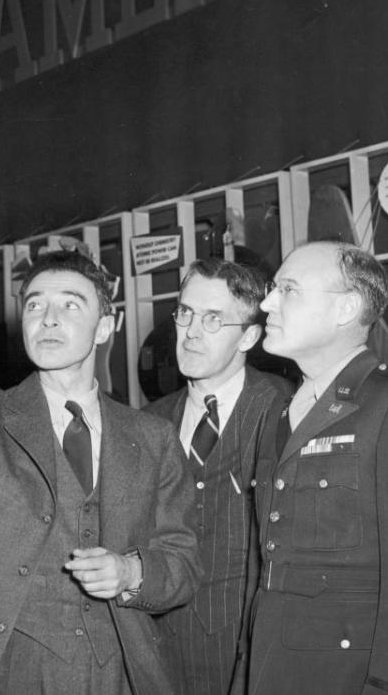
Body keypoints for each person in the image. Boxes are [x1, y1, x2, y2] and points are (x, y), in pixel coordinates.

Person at [0, 139, 201, 695]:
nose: (48, 318)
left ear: (105, 327)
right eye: (35, 305)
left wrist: (130, 574)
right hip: (7, 670)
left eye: (71, 305)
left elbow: (184, 566)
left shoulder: (153, 438)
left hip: (119, 672)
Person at [248, 240, 388, 695]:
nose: (267, 302)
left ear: (346, 308)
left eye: (288, 289)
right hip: (278, 666)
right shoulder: (282, 412)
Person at [144, 259, 291, 695]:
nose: (191, 332)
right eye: (185, 313)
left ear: (249, 335)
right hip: (159, 652)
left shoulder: (284, 410)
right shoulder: (149, 424)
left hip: (248, 651)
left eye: (213, 319)